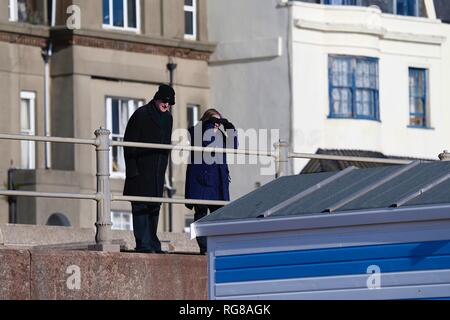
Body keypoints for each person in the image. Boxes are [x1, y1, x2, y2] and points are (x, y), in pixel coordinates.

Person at [123, 84, 175, 253]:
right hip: (140, 171)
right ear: (157, 98)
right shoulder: (141, 114)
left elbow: (166, 146)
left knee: (154, 208)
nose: (167, 105)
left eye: (170, 102)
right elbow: (129, 143)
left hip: (157, 172)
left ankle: (153, 242)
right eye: (165, 101)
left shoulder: (168, 119)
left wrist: (163, 171)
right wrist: (132, 171)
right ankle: (143, 244)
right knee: (140, 208)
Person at [185, 109, 238, 254]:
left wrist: (229, 126)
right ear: (207, 120)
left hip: (218, 181)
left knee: (218, 215)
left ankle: (216, 246)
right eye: (214, 121)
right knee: (201, 214)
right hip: (202, 181)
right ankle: (204, 247)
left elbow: (233, 145)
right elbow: (205, 141)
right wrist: (208, 125)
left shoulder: (220, 133)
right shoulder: (199, 131)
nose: (217, 124)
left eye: (218, 121)